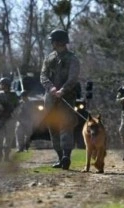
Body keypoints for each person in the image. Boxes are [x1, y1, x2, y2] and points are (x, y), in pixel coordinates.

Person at [40, 29, 80, 170]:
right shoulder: (49, 58)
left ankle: (66, 156)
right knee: (53, 128)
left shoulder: (72, 58)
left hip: (66, 98)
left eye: (53, 41)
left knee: (66, 126)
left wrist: (63, 90)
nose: (52, 43)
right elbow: (43, 76)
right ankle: (59, 157)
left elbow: (73, 78)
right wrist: (51, 88)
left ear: (58, 42)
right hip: (50, 99)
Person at [0, 77, 19, 162]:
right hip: (0, 118)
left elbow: (17, 106)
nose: (1, 85)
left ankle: (6, 156)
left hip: (10, 119)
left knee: (9, 138)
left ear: (7, 85)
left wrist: (15, 112)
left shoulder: (13, 95)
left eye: (2, 84)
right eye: (1, 84)